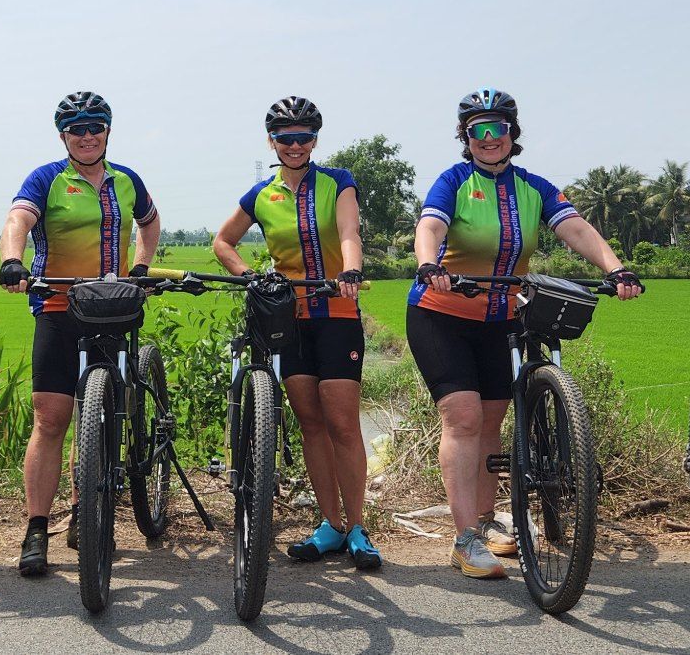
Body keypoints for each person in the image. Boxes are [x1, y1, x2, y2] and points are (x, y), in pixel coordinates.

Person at [406, 88, 642, 580]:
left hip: (501, 317)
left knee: (492, 420)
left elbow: (575, 228)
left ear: (514, 135)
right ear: (465, 138)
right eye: (479, 130)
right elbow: (429, 225)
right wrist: (429, 263)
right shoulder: (453, 181)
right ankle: (464, 538)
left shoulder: (533, 187)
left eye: (499, 129)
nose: (490, 139)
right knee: (464, 417)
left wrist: (617, 269)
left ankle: (488, 520)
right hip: (440, 314)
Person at [211, 97, 378, 569]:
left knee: (343, 421)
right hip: (289, 319)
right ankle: (330, 524)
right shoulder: (263, 194)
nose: (296, 145)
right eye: (286, 138)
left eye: (305, 137)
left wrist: (350, 270)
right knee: (310, 422)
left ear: (315, 141)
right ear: (272, 142)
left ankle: (359, 527)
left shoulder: (338, 182)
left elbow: (349, 232)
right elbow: (222, 242)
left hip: (337, 313)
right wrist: (250, 275)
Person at [0, 91, 160, 576]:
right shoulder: (47, 178)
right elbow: (17, 220)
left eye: (95, 127)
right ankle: (36, 527)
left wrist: (141, 266)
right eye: (76, 129)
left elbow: (149, 224)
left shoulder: (127, 181)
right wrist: (12, 259)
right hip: (57, 305)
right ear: (63, 136)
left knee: (106, 413)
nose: (86, 136)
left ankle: (87, 509)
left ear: (108, 131)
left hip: (112, 308)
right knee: (51, 420)